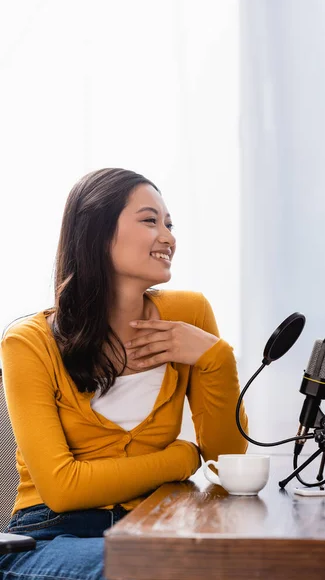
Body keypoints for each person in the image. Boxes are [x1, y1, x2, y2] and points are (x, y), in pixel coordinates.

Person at [0, 168, 248, 580]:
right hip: (50, 536)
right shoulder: (28, 342)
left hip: (154, 525)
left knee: (236, 564)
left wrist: (216, 357)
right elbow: (64, 489)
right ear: (97, 232)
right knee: (150, 568)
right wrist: (181, 458)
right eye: (150, 221)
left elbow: (227, 460)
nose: (168, 237)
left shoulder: (190, 315)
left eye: (169, 224)